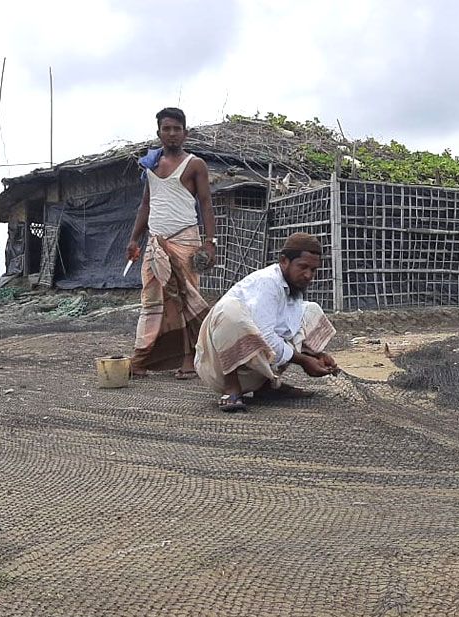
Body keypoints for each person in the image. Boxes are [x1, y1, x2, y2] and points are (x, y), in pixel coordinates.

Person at [193, 232, 339, 412]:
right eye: (303, 267)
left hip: (255, 370)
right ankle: (232, 389)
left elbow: (287, 330)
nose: (308, 275)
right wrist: (303, 361)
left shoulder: (294, 287)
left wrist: (316, 355)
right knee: (229, 310)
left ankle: (267, 386)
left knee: (311, 311)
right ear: (284, 261)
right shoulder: (267, 282)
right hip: (217, 368)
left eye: (313, 270)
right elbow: (267, 337)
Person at [126, 107, 218, 379]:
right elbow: (146, 204)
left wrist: (210, 242)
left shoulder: (195, 164)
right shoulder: (150, 165)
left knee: (186, 301)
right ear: (159, 133)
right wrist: (134, 239)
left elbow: (205, 203)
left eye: (177, 128)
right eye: (166, 128)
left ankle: (189, 359)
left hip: (185, 240)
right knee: (151, 301)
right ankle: (142, 357)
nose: (172, 133)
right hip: (155, 243)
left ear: (185, 133)